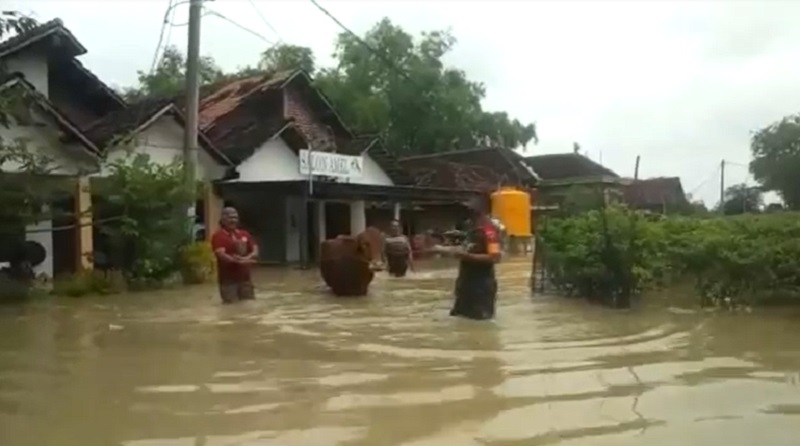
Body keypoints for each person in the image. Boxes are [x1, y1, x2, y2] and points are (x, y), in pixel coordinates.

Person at [440, 194, 501, 320]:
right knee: (459, 319)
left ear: (483, 209)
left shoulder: (489, 230)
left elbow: (495, 257)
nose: (468, 212)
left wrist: (466, 256)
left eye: (471, 209)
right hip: (466, 283)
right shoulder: (470, 227)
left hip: (481, 284)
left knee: (480, 323)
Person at [210, 207, 259, 304]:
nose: (233, 220)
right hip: (228, 281)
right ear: (223, 219)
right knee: (231, 307)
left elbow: (255, 251)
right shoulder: (219, 236)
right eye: (230, 217)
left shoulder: (244, 234)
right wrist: (238, 261)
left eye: (235, 217)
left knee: (249, 306)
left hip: (245, 280)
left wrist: (245, 259)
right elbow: (221, 255)